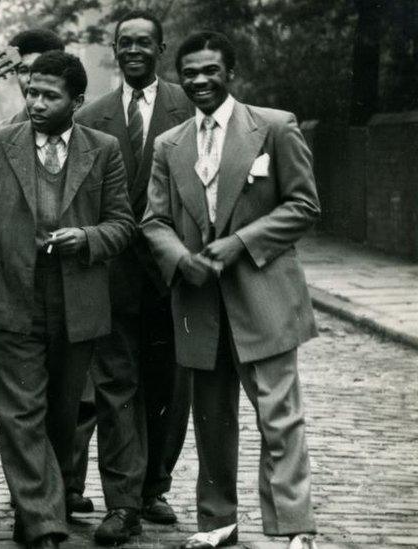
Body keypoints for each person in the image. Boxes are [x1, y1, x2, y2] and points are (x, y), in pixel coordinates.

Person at [0, 51, 134, 549]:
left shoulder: (104, 148)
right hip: (15, 298)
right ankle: (46, 524)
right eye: (31, 92)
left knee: (60, 415)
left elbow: (123, 224)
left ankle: (35, 507)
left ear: (77, 100)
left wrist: (87, 238)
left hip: (77, 301)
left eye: (49, 95)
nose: (36, 102)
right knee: (20, 413)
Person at [141, 30, 320, 549]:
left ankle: (294, 527)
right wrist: (182, 260)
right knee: (212, 420)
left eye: (210, 71)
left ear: (231, 73)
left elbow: (304, 206)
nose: (199, 81)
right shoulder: (169, 144)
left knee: (279, 418)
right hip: (199, 303)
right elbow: (153, 221)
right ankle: (217, 523)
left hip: (264, 298)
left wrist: (240, 242)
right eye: (189, 72)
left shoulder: (274, 127)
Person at [72, 10, 195, 541]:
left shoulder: (189, 108)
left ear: (161, 49)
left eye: (145, 42)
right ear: (115, 49)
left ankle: (153, 488)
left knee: (167, 383)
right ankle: (122, 503)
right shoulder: (94, 116)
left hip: (174, 276)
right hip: (115, 276)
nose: (135, 50)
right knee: (117, 387)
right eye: (126, 43)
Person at [3, 29, 65, 125]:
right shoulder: (1, 134)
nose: (30, 79)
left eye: (39, 69)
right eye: (23, 71)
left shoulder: (86, 124)